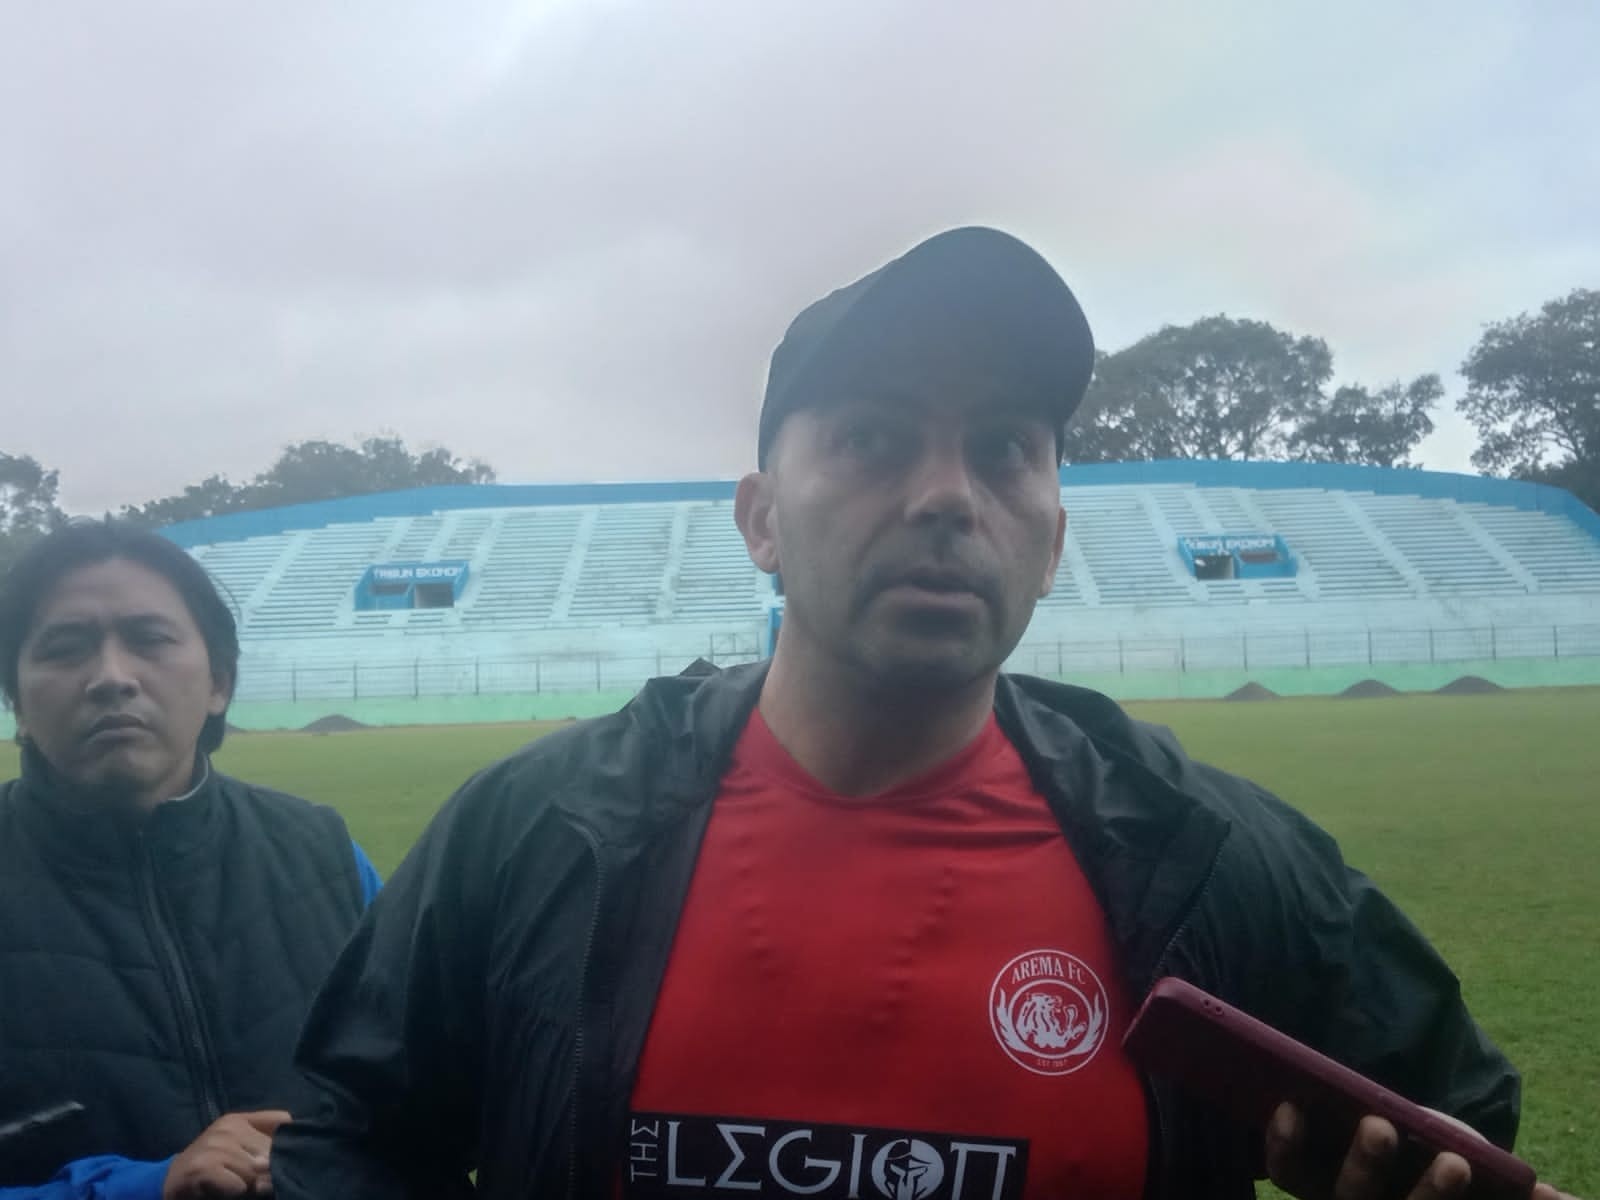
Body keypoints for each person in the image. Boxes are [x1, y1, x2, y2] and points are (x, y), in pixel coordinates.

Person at [270, 228, 1574, 1199]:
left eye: (1005, 447)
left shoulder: (1207, 854)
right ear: (761, 519)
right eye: (875, 439)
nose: (948, 494)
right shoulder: (536, 829)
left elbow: (1461, 1121)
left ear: (1053, 538)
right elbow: (350, 1124)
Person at [0, 522, 382, 1200]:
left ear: (219, 684)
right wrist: (148, 1188)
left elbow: (424, 1101)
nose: (111, 678)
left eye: (149, 640)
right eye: (65, 647)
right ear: (17, 704)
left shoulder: (325, 856)